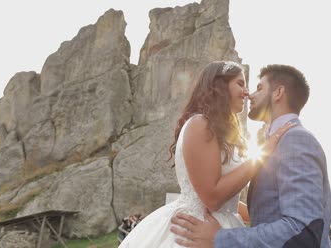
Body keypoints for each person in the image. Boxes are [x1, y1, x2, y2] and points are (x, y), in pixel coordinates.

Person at [118, 61, 293, 248]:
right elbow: (212, 197)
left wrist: (273, 215)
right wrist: (263, 155)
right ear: (219, 85)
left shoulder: (220, 133)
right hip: (194, 232)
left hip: (221, 227)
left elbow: (228, 203)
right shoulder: (200, 125)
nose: (246, 92)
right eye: (240, 83)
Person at [171, 64, 331, 247]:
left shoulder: (295, 139)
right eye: (242, 84)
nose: (249, 94)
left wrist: (221, 238)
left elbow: (303, 229)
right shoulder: (276, 142)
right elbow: (268, 209)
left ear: (278, 93)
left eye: (259, 88)